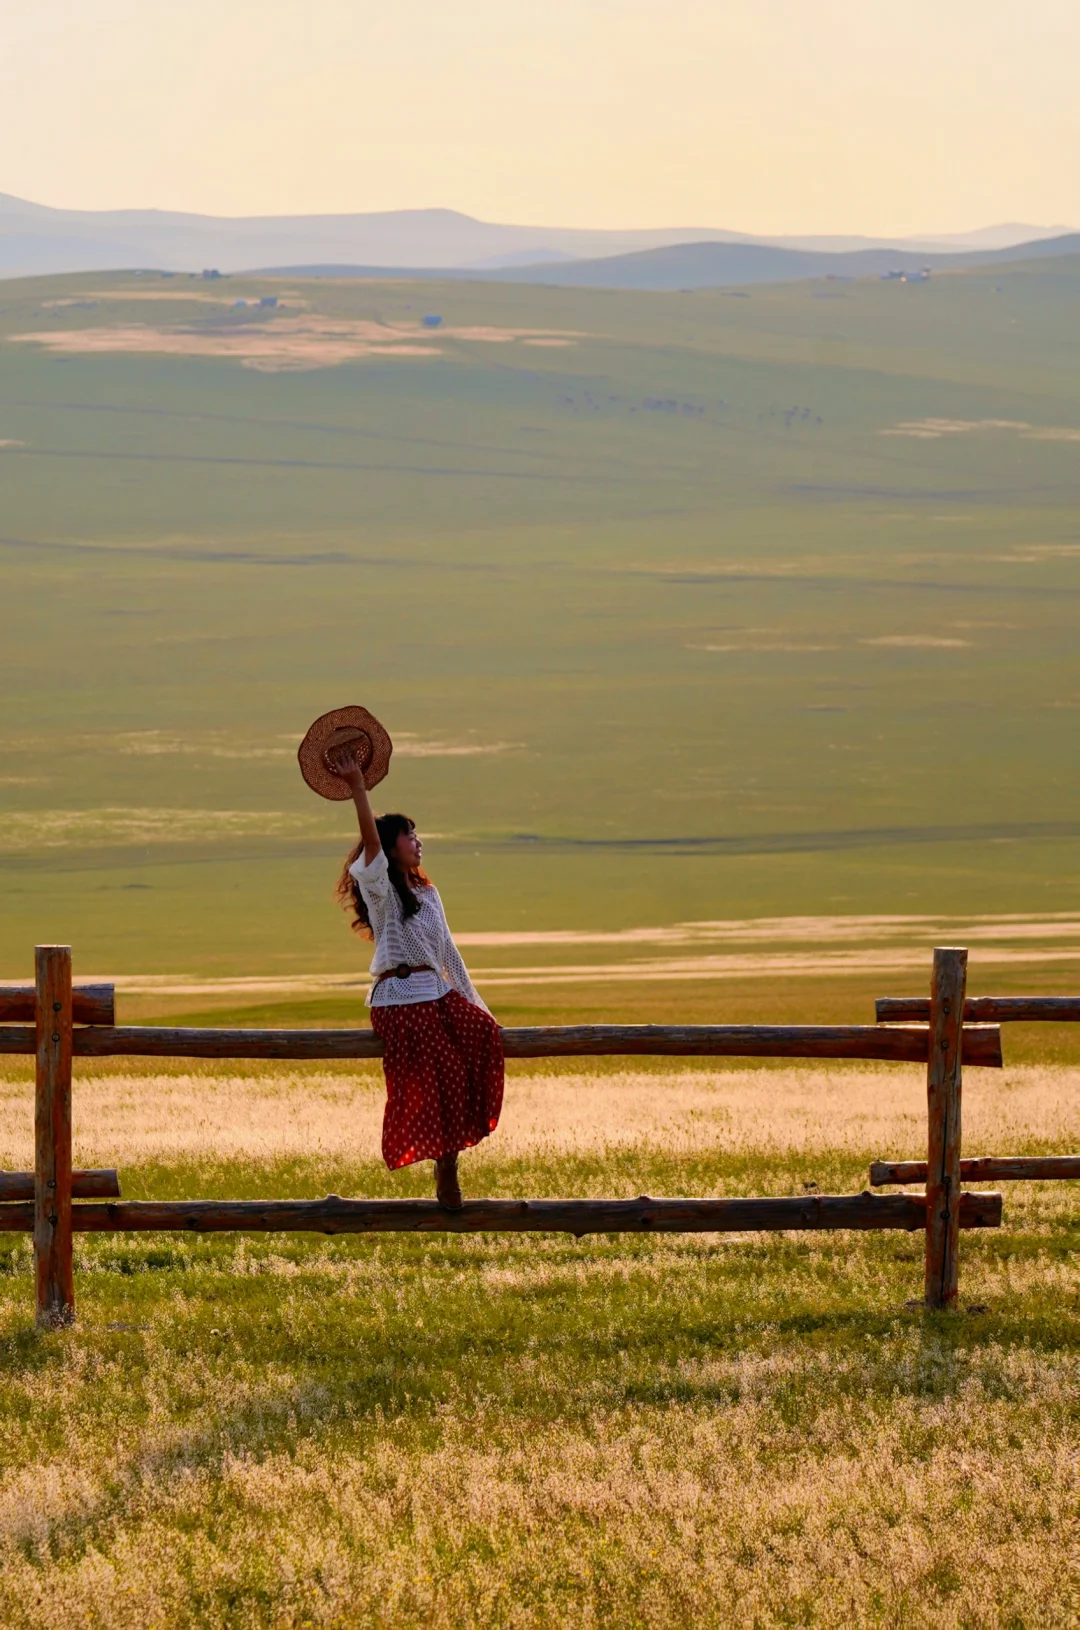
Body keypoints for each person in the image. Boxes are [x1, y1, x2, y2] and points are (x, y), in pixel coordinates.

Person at [329, 742, 503, 1207]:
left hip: (436, 991)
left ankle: (450, 1157)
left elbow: (450, 953)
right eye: (408, 834)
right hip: (399, 998)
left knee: (482, 1034)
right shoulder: (383, 891)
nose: (418, 840)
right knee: (442, 1068)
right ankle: (447, 1169)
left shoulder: (429, 895)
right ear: (390, 848)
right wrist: (358, 788)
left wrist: (476, 1005)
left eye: (416, 833)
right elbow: (369, 842)